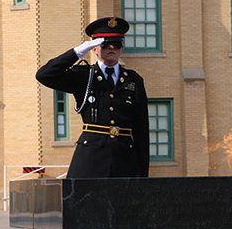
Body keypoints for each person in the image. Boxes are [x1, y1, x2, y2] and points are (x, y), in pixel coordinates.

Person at [36, 17, 150, 178]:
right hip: (91, 156)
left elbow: (141, 128)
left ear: (121, 49)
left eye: (116, 44)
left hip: (125, 157)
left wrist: (143, 172)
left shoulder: (133, 80)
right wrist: (77, 52)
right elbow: (44, 75)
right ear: (95, 49)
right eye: (105, 44)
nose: (111, 48)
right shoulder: (84, 76)